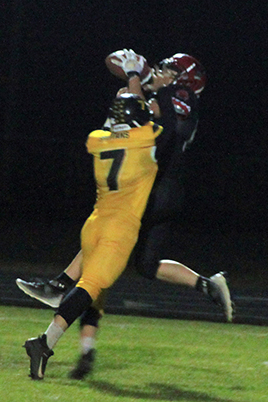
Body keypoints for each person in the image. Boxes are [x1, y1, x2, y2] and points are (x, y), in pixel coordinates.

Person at [18, 50, 233, 380]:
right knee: (142, 265)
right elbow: (148, 116)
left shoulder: (174, 99)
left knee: (101, 259)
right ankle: (206, 285)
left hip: (153, 189)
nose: (161, 70)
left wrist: (139, 78)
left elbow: (153, 119)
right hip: (162, 187)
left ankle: (60, 288)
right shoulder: (163, 111)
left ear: (183, 80)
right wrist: (143, 81)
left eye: (168, 69)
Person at [23, 92, 163, 380]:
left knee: (88, 290)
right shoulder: (145, 138)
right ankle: (43, 343)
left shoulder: (97, 139)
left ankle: (58, 289)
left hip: (94, 224)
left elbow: (115, 128)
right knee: (91, 288)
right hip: (120, 229)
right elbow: (161, 123)